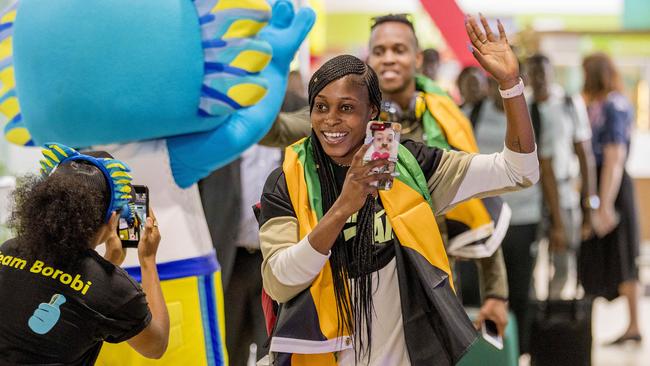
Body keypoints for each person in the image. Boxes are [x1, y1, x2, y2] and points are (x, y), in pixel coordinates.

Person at [258, 15, 539, 365]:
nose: (331, 119)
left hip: (411, 333)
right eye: (321, 107)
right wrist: (344, 206)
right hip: (319, 351)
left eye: (346, 108)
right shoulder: (288, 178)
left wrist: (510, 84)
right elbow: (279, 282)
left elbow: (518, 171)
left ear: (371, 112)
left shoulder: (410, 159)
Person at [0, 144, 169, 364]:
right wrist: (148, 260)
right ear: (111, 220)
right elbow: (156, 346)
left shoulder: (9, 249)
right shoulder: (113, 288)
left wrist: (109, 264)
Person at [581, 52, 642, 344]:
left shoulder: (614, 105)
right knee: (596, 255)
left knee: (624, 255)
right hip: (600, 185)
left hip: (613, 188)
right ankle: (588, 329)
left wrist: (603, 203)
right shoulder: (597, 104)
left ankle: (634, 326)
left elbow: (614, 156)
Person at [526, 53, 597, 298]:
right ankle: (533, 319)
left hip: (564, 193)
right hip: (530, 197)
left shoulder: (568, 103)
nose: (538, 78)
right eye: (533, 73)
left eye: (543, 72)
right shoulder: (523, 105)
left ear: (552, 73)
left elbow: (584, 153)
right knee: (529, 263)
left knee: (564, 261)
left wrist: (590, 202)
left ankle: (555, 311)